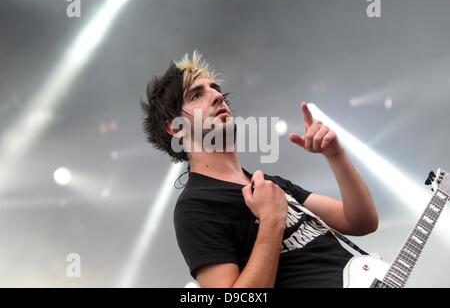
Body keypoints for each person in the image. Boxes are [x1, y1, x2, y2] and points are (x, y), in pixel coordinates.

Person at [140, 51, 378, 288]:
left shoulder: (270, 185)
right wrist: (271, 220)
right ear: (174, 128)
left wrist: (336, 155)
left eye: (215, 89)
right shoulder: (195, 207)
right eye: (196, 95)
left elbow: (360, 221)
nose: (216, 96)